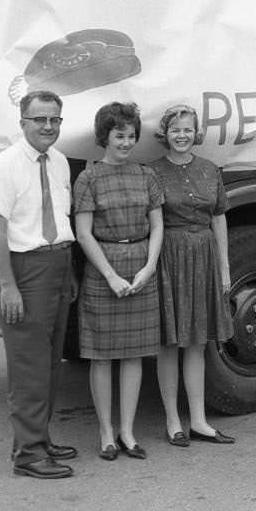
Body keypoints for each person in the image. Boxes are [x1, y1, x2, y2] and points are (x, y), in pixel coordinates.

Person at [0, 91, 80, 479]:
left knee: (51, 361)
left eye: (55, 119)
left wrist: (68, 270)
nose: (48, 126)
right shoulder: (6, 165)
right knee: (29, 365)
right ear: (22, 122)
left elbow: (60, 215)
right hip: (25, 270)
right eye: (40, 119)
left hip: (57, 265)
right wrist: (8, 286)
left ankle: (38, 436)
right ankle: (28, 455)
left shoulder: (58, 162)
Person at [73, 102, 164, 461]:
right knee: (101, 356)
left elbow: (157, 225)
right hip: (104, 270)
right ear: (104, 137)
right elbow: (83, 233)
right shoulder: (89, 178)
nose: (126, 143)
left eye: (131, 136)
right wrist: (109, 275)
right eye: (119, 135)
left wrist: (149, 267)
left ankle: (127, 431)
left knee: (133, 356)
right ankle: (106, 432)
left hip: (141, 265)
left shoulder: (145, 176)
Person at [151, 103, 236, 447]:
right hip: (169, 257)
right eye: (175, 130)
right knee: (170, 343)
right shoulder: (152, 171)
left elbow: (219, 217)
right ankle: (173, 421)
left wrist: (225, 268)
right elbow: (153, 221)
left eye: (187, 129)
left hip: (203, 256)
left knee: (198, 343)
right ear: (165, 134)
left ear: (196, 133)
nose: (181, 135)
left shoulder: (209, 169)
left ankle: (199, 420)